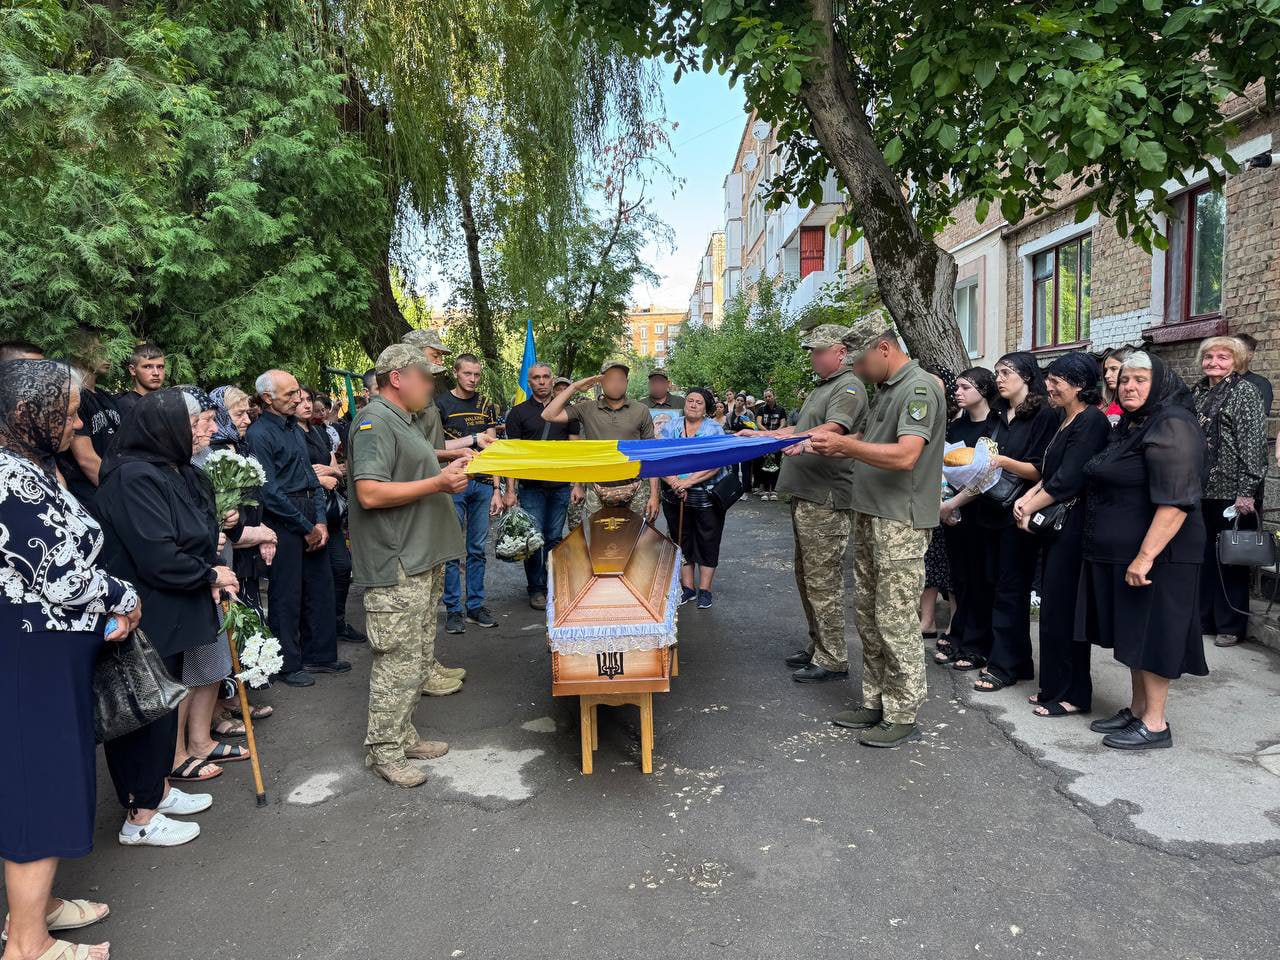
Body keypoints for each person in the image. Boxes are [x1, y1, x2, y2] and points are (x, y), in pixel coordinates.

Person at [0, 360, 139, 960]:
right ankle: (28, 944)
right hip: (32, 661)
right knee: (40, 788)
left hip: (43, 654)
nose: (79, 424)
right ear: (27, 414)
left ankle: (36, 906)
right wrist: (124, 597)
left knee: (41, 781)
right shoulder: (11, 477)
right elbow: (60, 576)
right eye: (70, 413)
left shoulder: (29, 465)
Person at [97, 388, 234, 847]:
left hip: (171, 609)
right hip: (148, 612)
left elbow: (197, 527)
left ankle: (157, 790)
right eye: (191, 423)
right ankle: (140, 815)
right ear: (164, 429)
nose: (200, 431)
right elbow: (157, 553)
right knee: (146, 713)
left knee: (164, 707)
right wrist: (208, 572)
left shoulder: (169, 469)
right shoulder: (133, 477)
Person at [805, 317, 946, 748]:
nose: (858, 371)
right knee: (868, 614)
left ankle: (903, 712)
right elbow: (871, 440)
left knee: (895, 617)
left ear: (884, 349)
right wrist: (824, 443)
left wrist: (846, 445)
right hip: (871, 513)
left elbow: (906, 456)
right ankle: (876, 701)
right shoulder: (887, 388)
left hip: (900, 521)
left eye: (862, 362)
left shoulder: (918, 389)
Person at [348, 344, 470, 787]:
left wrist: (450, 465)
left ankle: (402, 736)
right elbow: (369, 493)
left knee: (416, 657)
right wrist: (439, 483)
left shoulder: (403, 419)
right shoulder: (374, 422)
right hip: (396, 562)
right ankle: (383, 750)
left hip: (418, 558)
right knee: (396, 661)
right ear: (397, 378)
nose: (432, 384)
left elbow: (412, 470)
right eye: (426, 375)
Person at [1080, 351, 1207, 750]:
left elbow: (1176, 501)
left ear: (1160, 384)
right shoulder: (1137, 422)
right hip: (1131, 551)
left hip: (1163, 555)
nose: (1129, 387)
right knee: (1135, 632)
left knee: (1153, 634)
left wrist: (1145, 556)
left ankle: (1155, 723)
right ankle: (1137, 709)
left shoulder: (1173, 423)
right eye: (1124, 379)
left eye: (1140, 380)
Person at [756, 324, 865, 683]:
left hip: (826, 499)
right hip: (808, 496)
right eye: (812, 351)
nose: (814, 357)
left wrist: (798, 442)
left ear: (840, 352)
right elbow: (799, 429)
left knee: (823, 580)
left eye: (819, 351)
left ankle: (833, 657)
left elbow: (833, 429)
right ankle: (819, 644)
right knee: (807, 577)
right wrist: (762, 437)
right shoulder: (823, 387)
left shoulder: (848, 387)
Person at [946, 352, 1058, 692]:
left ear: (1026, 377)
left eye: (1006, 372)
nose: (1000, 378)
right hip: (987, 509)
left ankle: (1006, 665)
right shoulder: (997, 414)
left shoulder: (1042, 415)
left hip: (1018, 514)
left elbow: (1041, 469)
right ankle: (987, 651)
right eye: (997, 372)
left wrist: (1002, 461)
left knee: (1010, 590)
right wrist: (954, 499)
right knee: (985, 584)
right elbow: (982, 468)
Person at [1011, 353, 1112, 717]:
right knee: (1052, 609)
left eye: (1056, 381)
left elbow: (1069, 479)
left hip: (1073, 527)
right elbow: (1049, 472)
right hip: (1056, 527)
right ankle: (1052, 687)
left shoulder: (1092, 421)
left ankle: (1073, 694)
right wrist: (1026, 500)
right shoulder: (1063, 417)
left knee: (1066, 611)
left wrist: (1030, 506)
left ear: (1080, 385)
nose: (1049, 387)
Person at [246, 370, 347, 687]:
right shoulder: (259, 434)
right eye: (290, 394)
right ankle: (288, 663)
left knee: (320, 587)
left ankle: (320, 655)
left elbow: (311, 477)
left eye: (298, 393)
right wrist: (305, 526)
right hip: (284, 517)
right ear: (267, 398)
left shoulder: (296, 429)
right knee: (287, 593)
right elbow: (268, 490)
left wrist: (320, 520)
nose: (298, 399)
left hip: (310, 512)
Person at [174, 386, 251, 774]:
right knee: (189, 667)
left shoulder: (206, 458)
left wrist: (229, 518)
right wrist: (207, 536)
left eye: (209, 419)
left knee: (213, 658)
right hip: (192, 572)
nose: (212, 427)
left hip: (217, 565)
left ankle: (201, 739)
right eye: (202, 421)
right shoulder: (165, 468)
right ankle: (178, 753)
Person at [1191, 336, 1268, 648]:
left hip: (1233, 491)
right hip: (1201, 489)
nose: (1214, 363)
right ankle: (1204, 618)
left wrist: (1247, 490)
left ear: (1237, 361)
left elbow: (1254, 444)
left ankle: (1230, 625)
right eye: (1209, 357)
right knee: (1204, 557)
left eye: (1222, 357)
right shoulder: (1198, 391)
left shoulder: (1244, 391)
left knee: (1231, 559)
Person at [933, 367, 997, 664]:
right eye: (956, 387)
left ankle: (976, 644)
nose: (957, 392)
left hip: (982, 512)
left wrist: (953, 503)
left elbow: (988, 474)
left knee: (979, 579)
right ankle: (957, 634)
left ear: (983, 391)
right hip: (953, 513)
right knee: (958, 579)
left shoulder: (995, 425)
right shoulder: (957, 426)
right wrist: (945, 504)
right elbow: (945, 466)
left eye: (965, 387)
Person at [542, 359, 660, 522]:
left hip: (635, 486)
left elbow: (651, 453)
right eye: (610, 379)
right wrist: (574, 387)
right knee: (598, 535)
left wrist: (654, 495)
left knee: (636, 534)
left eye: (620, 379)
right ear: (601, 382)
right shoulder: (587, 409)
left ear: (627, 382)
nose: (616, 384)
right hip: (597, 487)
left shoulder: (641, 410)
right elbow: (548, 414)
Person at [436, 353, 502, 634]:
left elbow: (494, 449)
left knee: (477, 549)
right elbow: (435, 446)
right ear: (455, 373)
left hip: (483, 484)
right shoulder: (440, 404)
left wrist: (497, 488)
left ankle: (475, 606)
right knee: (452, 549)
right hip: (454, 483)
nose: (473, 379)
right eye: (467, 374)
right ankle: (453, 610)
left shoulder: (486, 404)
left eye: (477, 374)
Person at [503, 363, 573, 611]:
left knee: (555, 538)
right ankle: (536, 589)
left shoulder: (567, 412)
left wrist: (578, 484)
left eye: (545, 377)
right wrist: (510, 490)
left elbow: (576, 449)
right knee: (534, 540)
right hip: (531, 487)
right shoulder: (517, 413)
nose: (542, 382)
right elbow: (512, 454)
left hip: (560, 486)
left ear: (553, 380)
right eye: (536, 378)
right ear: (529, 382)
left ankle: (554, 585)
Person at [297, 387, 364, 646]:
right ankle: (317, 630)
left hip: (330, 512)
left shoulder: (319, 432)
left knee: (342, 567)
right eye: (300, 400)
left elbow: (336, 470)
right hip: (307, 513)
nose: (306, 404)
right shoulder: (289, 434)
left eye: (308, 399)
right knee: (314, 577)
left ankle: (337, 622)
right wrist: (320, 477)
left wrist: (328, 472)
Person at [659, 388, 727, 608]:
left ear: (706, 408)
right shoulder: (670, 427)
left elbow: (716, 463)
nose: (694, 405)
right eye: (690, 400)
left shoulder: (714, 429)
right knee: (681, 539)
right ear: (684, 403)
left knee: (708, 540)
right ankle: (687, 588)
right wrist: (674, 483)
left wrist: (688, 482)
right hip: (675, 495)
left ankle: (705, 590)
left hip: (707, 496)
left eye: (699, 402)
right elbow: (660, 459)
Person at [56, 331, 121, 518]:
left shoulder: (106, 397)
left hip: (115, 483)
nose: (108, 356)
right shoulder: (75, 399)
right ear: (80, 352)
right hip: (93, 497)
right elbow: (86, 459)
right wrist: (122, 495)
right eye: (100, 350)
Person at [114, 341, 166, 417]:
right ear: (133, 370)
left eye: (160, 367)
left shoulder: (170, 403)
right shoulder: (122, 407)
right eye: (147, 367)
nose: (156, 373)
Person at [753, 389, 787, 500]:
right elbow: (758, 423)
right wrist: (768, 432)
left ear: (774, 396)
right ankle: (765, 490)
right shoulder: (761, 409)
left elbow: (783, 423)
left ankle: (774, 490)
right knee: (764, 464)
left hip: (777, 440)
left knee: (776, 463)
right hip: (765, 440)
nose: (768, 398)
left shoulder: (781, 409)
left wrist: (776, 433)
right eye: (766, 397)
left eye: (770, 396)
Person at [725, 393, 758, 494]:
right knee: (734, 466)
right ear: (735, 401)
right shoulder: (729, 415)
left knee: (745, 466)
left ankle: (746, 489)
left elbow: (755, 428)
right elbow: (725, 429)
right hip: (733, 443)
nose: (739, 402)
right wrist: (734, 432)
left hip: (746, 443)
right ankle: (735, 488)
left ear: (744, 403)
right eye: (737, 400)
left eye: (741, 401)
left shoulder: (749, 414)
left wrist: (748, 427)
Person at [1237, 333, 1274, 416]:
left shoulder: (1260, 383)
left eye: (1238, 350)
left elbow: (1260, 417)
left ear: (1250, 354)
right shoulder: (1221, 382)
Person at [643, 368, 685, 437]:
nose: (657, 385)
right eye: (654, 382)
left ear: (668, 384)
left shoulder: (681, 402)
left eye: (661, 382)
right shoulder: (641, 405)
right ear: (649, 384)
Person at [1099, 347, 1129, 427]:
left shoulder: (1133, 404)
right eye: (1106, 370)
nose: (1106, 375)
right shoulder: (1102, 404)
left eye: (1113, 369)